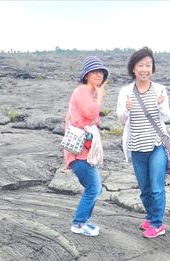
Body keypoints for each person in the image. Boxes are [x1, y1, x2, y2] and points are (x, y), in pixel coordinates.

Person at [116, 47, 170, 239]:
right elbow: (121, 119)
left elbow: (166, 116)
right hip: (136, 146)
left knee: (156, 187)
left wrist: (160, 104)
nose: (144, 69)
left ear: (153, 69)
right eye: (141, 65)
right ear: (133, 69)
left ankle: (157, 224)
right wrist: (126, 110)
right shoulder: (125, 92)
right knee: (145, 189)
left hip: (157, 145)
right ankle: (150, 216)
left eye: (148, 65)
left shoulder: (160, 90)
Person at [64, 56, 108, 236]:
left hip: (85, 151)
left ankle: (85, 221)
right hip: (78, 151)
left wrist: (96, 98)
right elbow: (91, 113)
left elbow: (93, 119)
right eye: (95, 72)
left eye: (101, 72)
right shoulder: (82, 91)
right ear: (86, 75)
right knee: (94, 188)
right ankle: (79, 223)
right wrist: (100, 98)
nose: (99, 75)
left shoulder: (88, 94)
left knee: (94, 188)